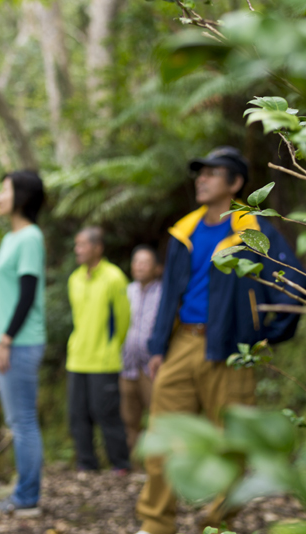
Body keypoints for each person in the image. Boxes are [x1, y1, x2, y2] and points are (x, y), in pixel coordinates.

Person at [135, 146, 304, 534]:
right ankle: (156, 524)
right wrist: (160, 346)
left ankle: (217, 524)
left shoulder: (255, 229)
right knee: (163, 436)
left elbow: (293, 284)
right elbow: (169, 294)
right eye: (201, 173)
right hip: (183, 343)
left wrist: (261, 335)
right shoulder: (184, 230)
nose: (202, 179)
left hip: (231, 347)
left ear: (236, 183)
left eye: (213, 173)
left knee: (231, 444)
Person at [0, 170, 47, 518]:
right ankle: (25, 493)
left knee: (22, 421)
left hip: (20, 344)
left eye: (4, 189)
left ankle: (26, 498)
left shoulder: (30, 238)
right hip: (7, 342)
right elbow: (5, 297)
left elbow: (26, 295)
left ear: (21, 196)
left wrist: (5, 340)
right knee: (18, 420)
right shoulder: (12, 238)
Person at [66, 227, 131, 473]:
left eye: (82, 244)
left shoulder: (114, 277)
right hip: (77, 359)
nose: (77, 250)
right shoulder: (74, 278)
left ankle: (120, 464)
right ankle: (86, 463)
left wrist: (111, 346)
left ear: (97, 248)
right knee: (77, 416)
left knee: (107, 415)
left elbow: (123, 319)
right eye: (77, 245)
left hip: (104, 361)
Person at [120, 245, 163, 455]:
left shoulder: (164, 294)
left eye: (145, 262)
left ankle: (156, 462)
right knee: (129, 418)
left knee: (157, 415)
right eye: (136, 262)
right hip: (127, 366)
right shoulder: (126, 291)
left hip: (152, 367)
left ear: (157, 268)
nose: (139, 266)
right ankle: (133, 462)